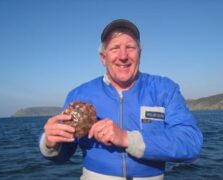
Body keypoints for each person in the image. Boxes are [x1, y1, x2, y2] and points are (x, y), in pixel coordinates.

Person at [39, 19, 203, 179]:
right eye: (115, 48)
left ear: (140, 54)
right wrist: (50, 143)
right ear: (103, 57)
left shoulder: (165, 89)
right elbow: (63, 155)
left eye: (130, 47)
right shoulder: (79, 94)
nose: (123, 56)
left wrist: (127, 138)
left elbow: (190, 143)